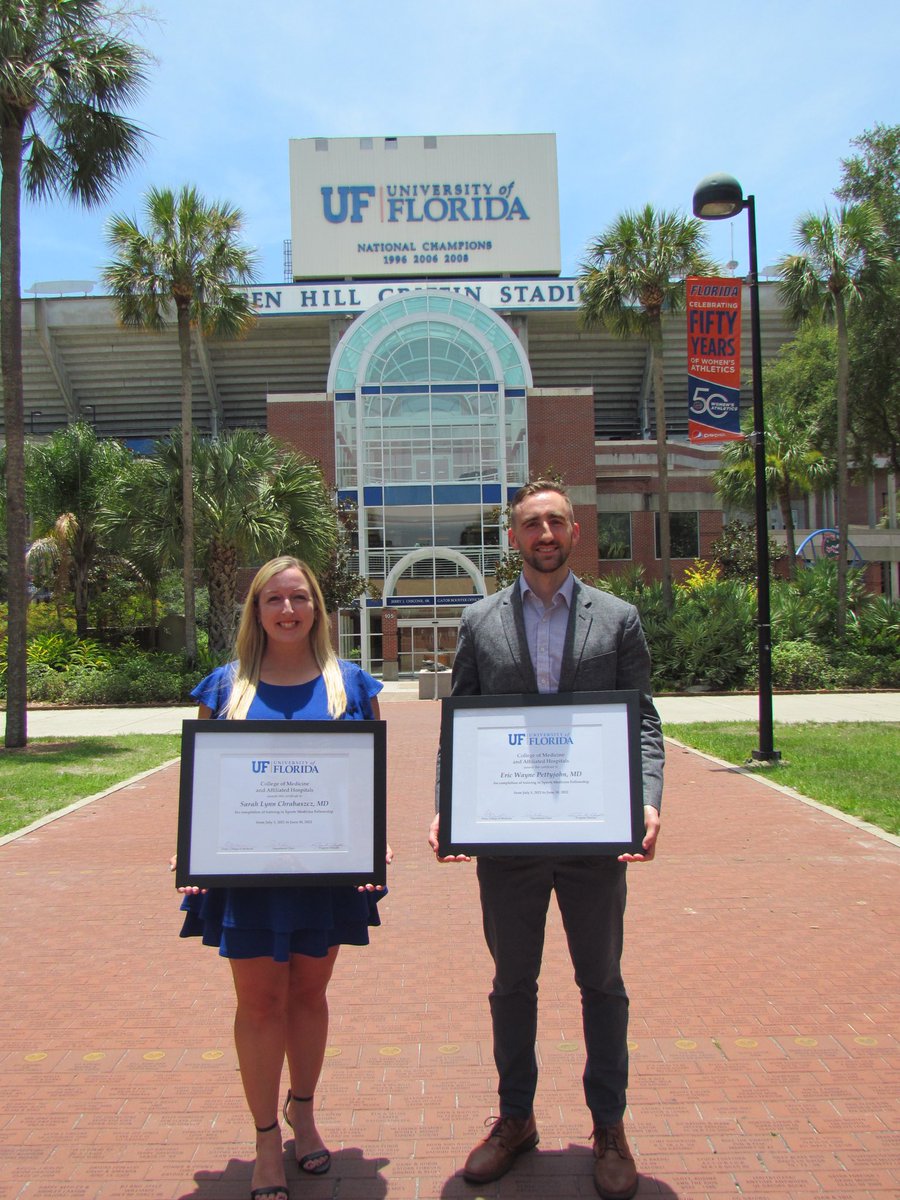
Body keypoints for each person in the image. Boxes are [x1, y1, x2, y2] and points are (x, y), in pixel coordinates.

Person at [428, 481, 664, 1200]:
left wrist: (647, 802)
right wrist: (449, 807)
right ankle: (515, 1118)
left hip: (594, 841)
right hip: (510, 843)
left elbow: (644, 722)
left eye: (556, 520)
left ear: (576, 531)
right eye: (532, 523)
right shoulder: (479, 620)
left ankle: (610, 1126)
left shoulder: (618, 618)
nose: (545, 533)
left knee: (602, 984)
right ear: (514, 537)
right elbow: (459, 724)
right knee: (512, 986)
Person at [176, 556, 390, 1200]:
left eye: (300, 598)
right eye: (275, 600)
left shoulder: (352, 686)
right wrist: (190, 856)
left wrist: (372, 851)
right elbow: (200, 789)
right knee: (259, 1002)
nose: (289, 610)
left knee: (308, 996)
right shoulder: (225, 688)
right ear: (257, 610)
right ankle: (267, 1137)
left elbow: (373, 786)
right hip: (246, 874)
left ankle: (306, 1111)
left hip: (326, 870)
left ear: (318, 609)